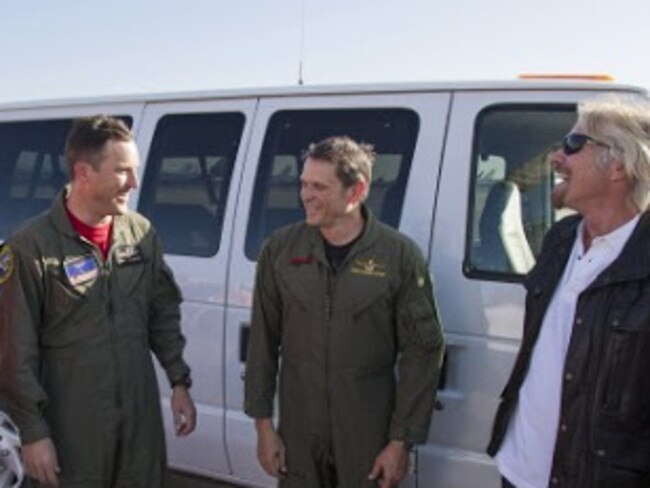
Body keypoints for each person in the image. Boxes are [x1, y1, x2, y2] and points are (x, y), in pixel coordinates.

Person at [0, 115, 196, 487]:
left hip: (138, 419)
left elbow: (162, 313)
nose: (135, 182)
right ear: (84, 173)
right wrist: (33, 432)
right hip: (74, 426)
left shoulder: (140, 234)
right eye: (123, 171)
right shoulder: (31, 248)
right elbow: (14, 352)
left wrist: (179, 381)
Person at [244, 136, 445, 487]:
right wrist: (263, 427)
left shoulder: (398, 256)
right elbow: (262, 343)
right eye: (304, 184)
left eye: (319, 187)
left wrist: (400, 443)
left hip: (367, 438)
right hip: (299, 435)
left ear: (356, 191)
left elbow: (422, 353)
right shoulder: (280, 251)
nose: (305, 195)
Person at [488, 94, 650, 487]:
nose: (556, 157)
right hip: (520, 471)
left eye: (573, 145)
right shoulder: (560, 239)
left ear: (619, 165)